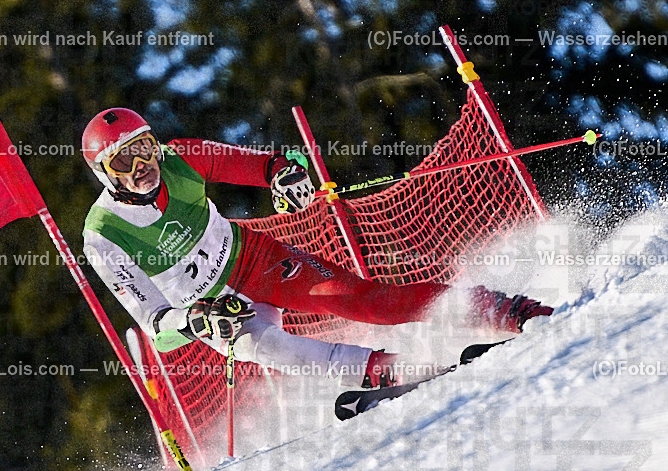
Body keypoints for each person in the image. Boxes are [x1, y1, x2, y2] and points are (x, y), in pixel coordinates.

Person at [81, 108, 552, 388]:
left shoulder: (180, 157)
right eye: (124, 158)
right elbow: (157, 330)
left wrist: (287, 175)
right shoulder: (103, 235)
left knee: (363, 302)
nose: (142, 164)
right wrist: (196, 319)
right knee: (263, 348)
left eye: (144, 147)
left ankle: (503, 308)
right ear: (104, 171)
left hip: (252, 259)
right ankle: (382, 370)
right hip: (214, 308)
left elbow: (270, 165)